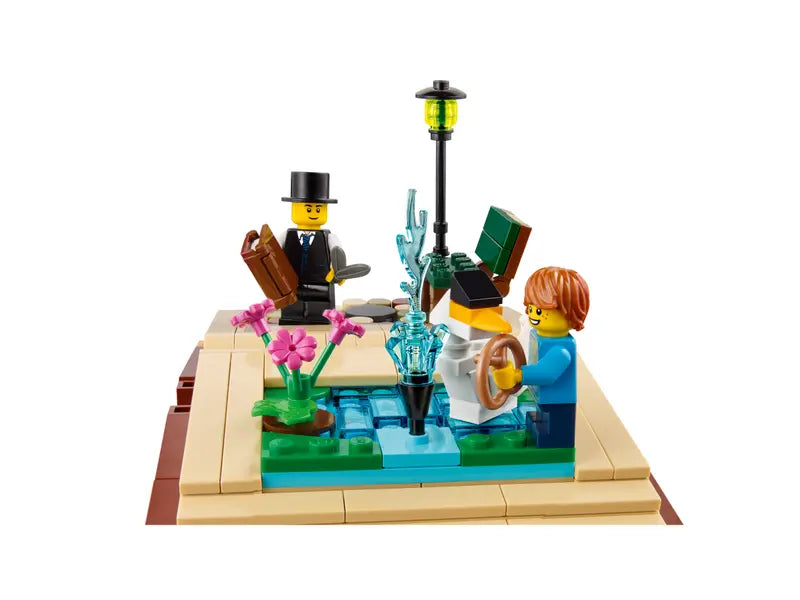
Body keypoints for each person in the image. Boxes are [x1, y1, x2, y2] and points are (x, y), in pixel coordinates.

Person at [493, 266, 590, 448]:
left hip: (558, 402)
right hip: (539, 397)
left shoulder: (561, 349)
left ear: (570, 313)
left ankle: (556, 451)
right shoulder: (538, 336)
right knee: (537, 424)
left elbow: (546, 373)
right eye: (531, 308)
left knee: (553, 436)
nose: (532, 314)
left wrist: (516, 376)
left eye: (539, 311)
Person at [275, 172, 346, 325]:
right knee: (292, 305)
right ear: (294, 208)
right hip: (291, 283)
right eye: (308, 209)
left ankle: (321, 319)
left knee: (321, 305)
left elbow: (337, 253)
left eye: (318, 209)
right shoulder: (286, 236)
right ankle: (292, 318)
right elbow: (273, 250)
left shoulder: (329, 237)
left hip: (322, 281)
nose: (313, 213)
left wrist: (338, 269)